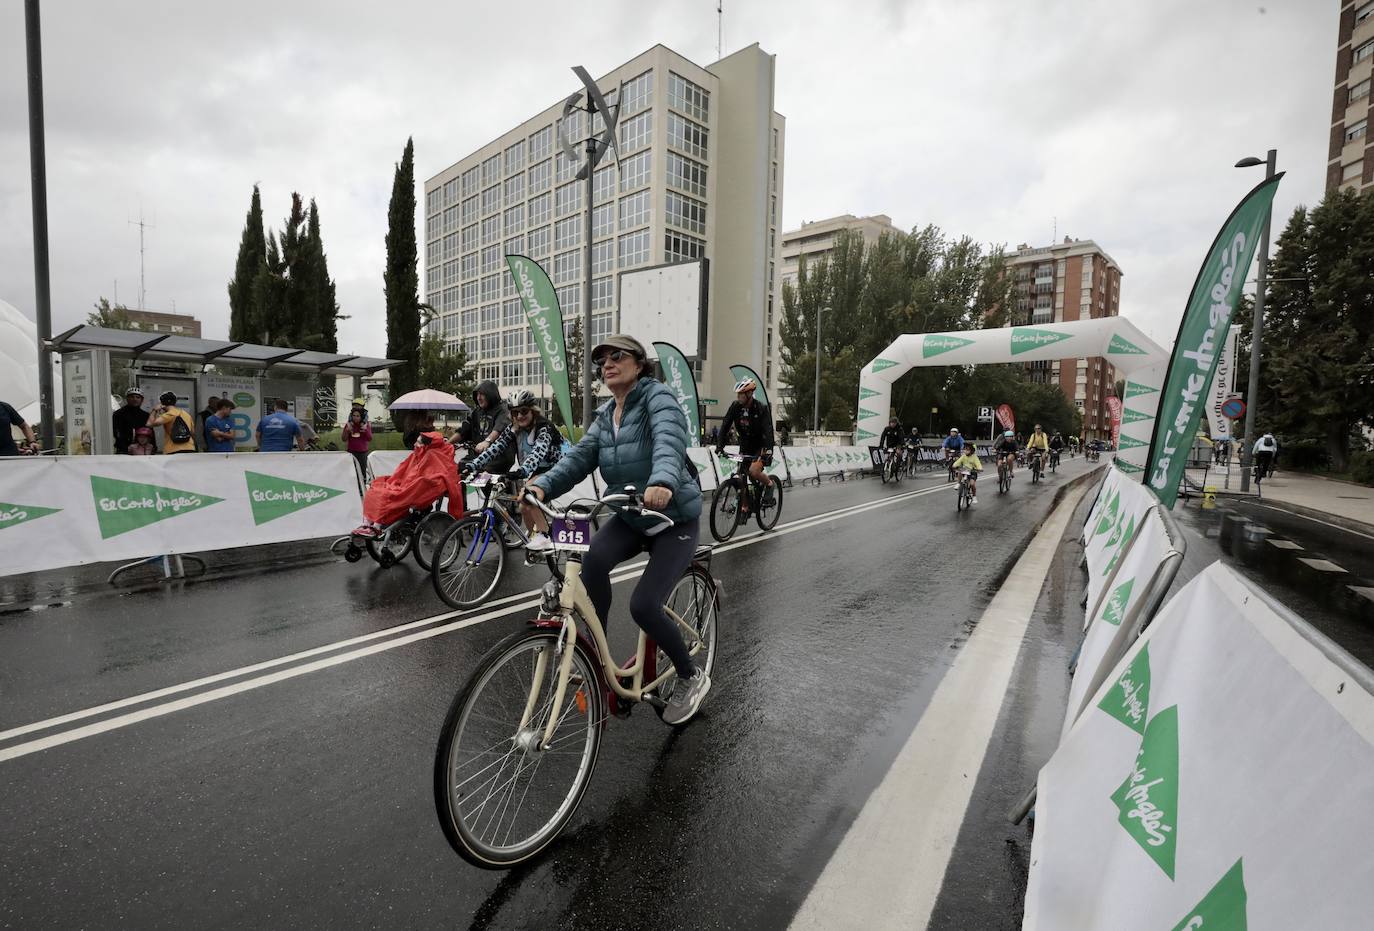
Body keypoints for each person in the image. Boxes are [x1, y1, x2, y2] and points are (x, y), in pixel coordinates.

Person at [526, 334, 709, 726]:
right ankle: (597, 658)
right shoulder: (606, 415)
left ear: (639, 364)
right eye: (601, 360)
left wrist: (662, 481)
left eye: (617, 356)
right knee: (590, 566)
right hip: (629, 514)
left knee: (643, 605)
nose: (607, 363)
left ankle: (690, 675)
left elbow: (668, 440)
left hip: (671, 517)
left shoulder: (657, 398)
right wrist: (542, 484)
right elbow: (579, 458)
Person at [463, 390, 564, 552]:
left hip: (558, 466)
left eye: (524, 411)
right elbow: (495, 448)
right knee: (523, 504)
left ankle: (544, 535)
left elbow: (538, 453)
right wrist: (472, 465)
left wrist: (522, 471)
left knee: (528, 496)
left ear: (533, 410)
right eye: (515, 412)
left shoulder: (545, 428)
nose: (519, 416)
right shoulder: (514, 428)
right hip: (539, 469)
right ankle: (533, 540)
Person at [716, 377, 776, 513]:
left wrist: (768, 451)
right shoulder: (735, 406)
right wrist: (720, 446)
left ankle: (770, 484)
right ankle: (745, 506)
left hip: (760, 447)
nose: (739, 397)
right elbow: (725, 426)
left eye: (741, 394)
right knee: (741, 476)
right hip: (745, 446)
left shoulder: (761, 408)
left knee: (753, 472)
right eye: (738, 394)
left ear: (749, 394)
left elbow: (768, 431)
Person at [458, 380, 514, 472]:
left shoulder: (503, 410)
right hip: (477, 455)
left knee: (483, 474)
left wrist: (487, 441)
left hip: (498, 458)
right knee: (461, 466)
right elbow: (463, 430)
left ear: (491, 395)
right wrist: (447, 444)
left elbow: (499, 428)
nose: (479, 398)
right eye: (477, 395)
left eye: (482, 394)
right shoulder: (477, 412)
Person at [113, 388, 153, 454]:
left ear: (142, 400)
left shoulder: (145, 415)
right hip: (123, 450)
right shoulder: (118, 414)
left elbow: (151, 432)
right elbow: (116, 432)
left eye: (138, 397)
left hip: (142, 450)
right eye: (132, 397)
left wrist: (153, 447)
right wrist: (124, 447)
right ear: (127, 398)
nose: (135, 399)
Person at [343, 407, 372, 476]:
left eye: (357, 416)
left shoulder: (365, 424)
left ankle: (362, 484)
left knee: (362, 472)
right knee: (352, 472)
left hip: (362, 453)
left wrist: (365, 430)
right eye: (354, 416)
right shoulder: (349, 425)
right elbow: (343, 439)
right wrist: (347, 430)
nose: (355, 418)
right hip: (351, 452)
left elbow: (370, 438)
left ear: (361, 417)